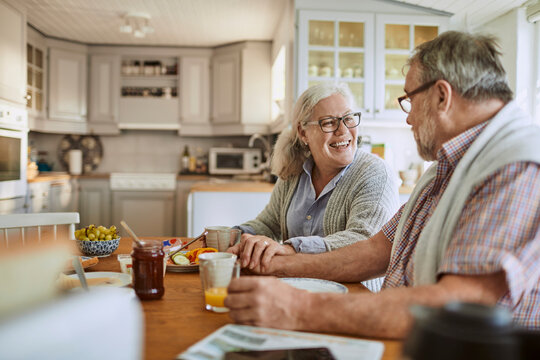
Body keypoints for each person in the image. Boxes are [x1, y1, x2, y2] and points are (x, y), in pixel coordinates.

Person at [224, 31, 540, 337]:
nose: (408, 118)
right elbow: (377, 250)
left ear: (442, 96)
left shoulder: (517, 167)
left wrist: (298, 308)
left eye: (409, 100)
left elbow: (456, 306)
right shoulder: (448, 169)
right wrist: (277, 267)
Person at [228, 82, 399, 292]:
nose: (343, 131)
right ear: (303, 132)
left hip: (355, 300)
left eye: (348, 119)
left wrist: (292, 249)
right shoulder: (294, 172)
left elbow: (364, 240)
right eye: (329, 123)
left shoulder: (375, 173)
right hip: (296, 292)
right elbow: (269, 225)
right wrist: (232, 236)